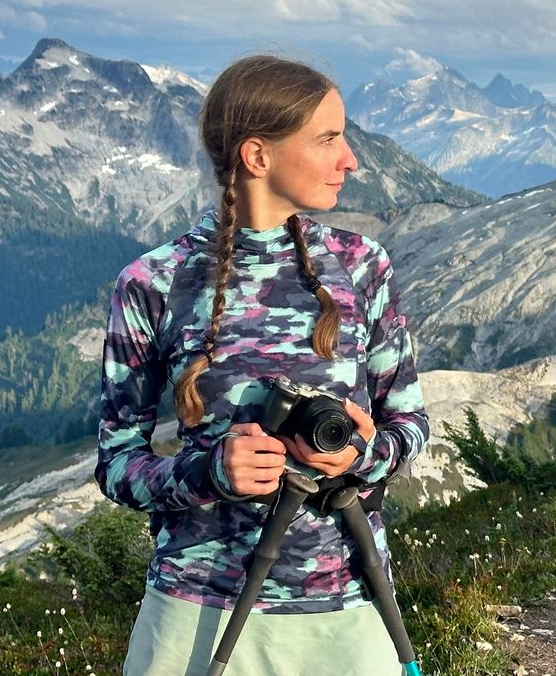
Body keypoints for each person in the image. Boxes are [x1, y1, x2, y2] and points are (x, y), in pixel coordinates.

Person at [96, 55, 430, 676]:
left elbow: (410, 425)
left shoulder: (364, 266)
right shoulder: (152, 282)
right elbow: (117, 466)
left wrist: (359, 456)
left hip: (348, 611)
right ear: (257, 156)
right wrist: (209, 473)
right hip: (195, 614)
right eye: (328, 139)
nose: (351, 159)